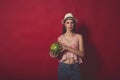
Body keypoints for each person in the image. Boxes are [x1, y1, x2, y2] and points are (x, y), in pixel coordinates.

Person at [49, 13, 84, 80]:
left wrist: (67, 48)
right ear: (64, 24)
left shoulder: (79, 37)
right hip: (63, 67)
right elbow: (59, 55)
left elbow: (82, 54)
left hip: (75, 67)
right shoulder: (60, 38)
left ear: (74, 24)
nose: (70, 25)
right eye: (67, 23)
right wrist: (54, 55)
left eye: (72, 23)